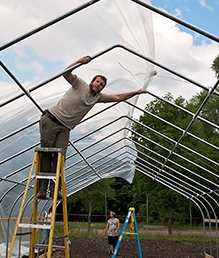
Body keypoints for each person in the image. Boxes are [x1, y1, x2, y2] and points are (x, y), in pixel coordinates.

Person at [38, 55, 146, 199]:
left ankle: (54, 190)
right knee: (46, 153)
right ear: (92, 81)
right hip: (51, 119)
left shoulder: (98, 97)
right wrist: (78, 61)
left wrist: (136, 92)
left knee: (59, 157)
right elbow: (65, 73)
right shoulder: (79, 84)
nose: (98, 85)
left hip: (65, 128)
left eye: (101, 85)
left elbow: (117, 98)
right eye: (97, 82)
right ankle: (42, 190)